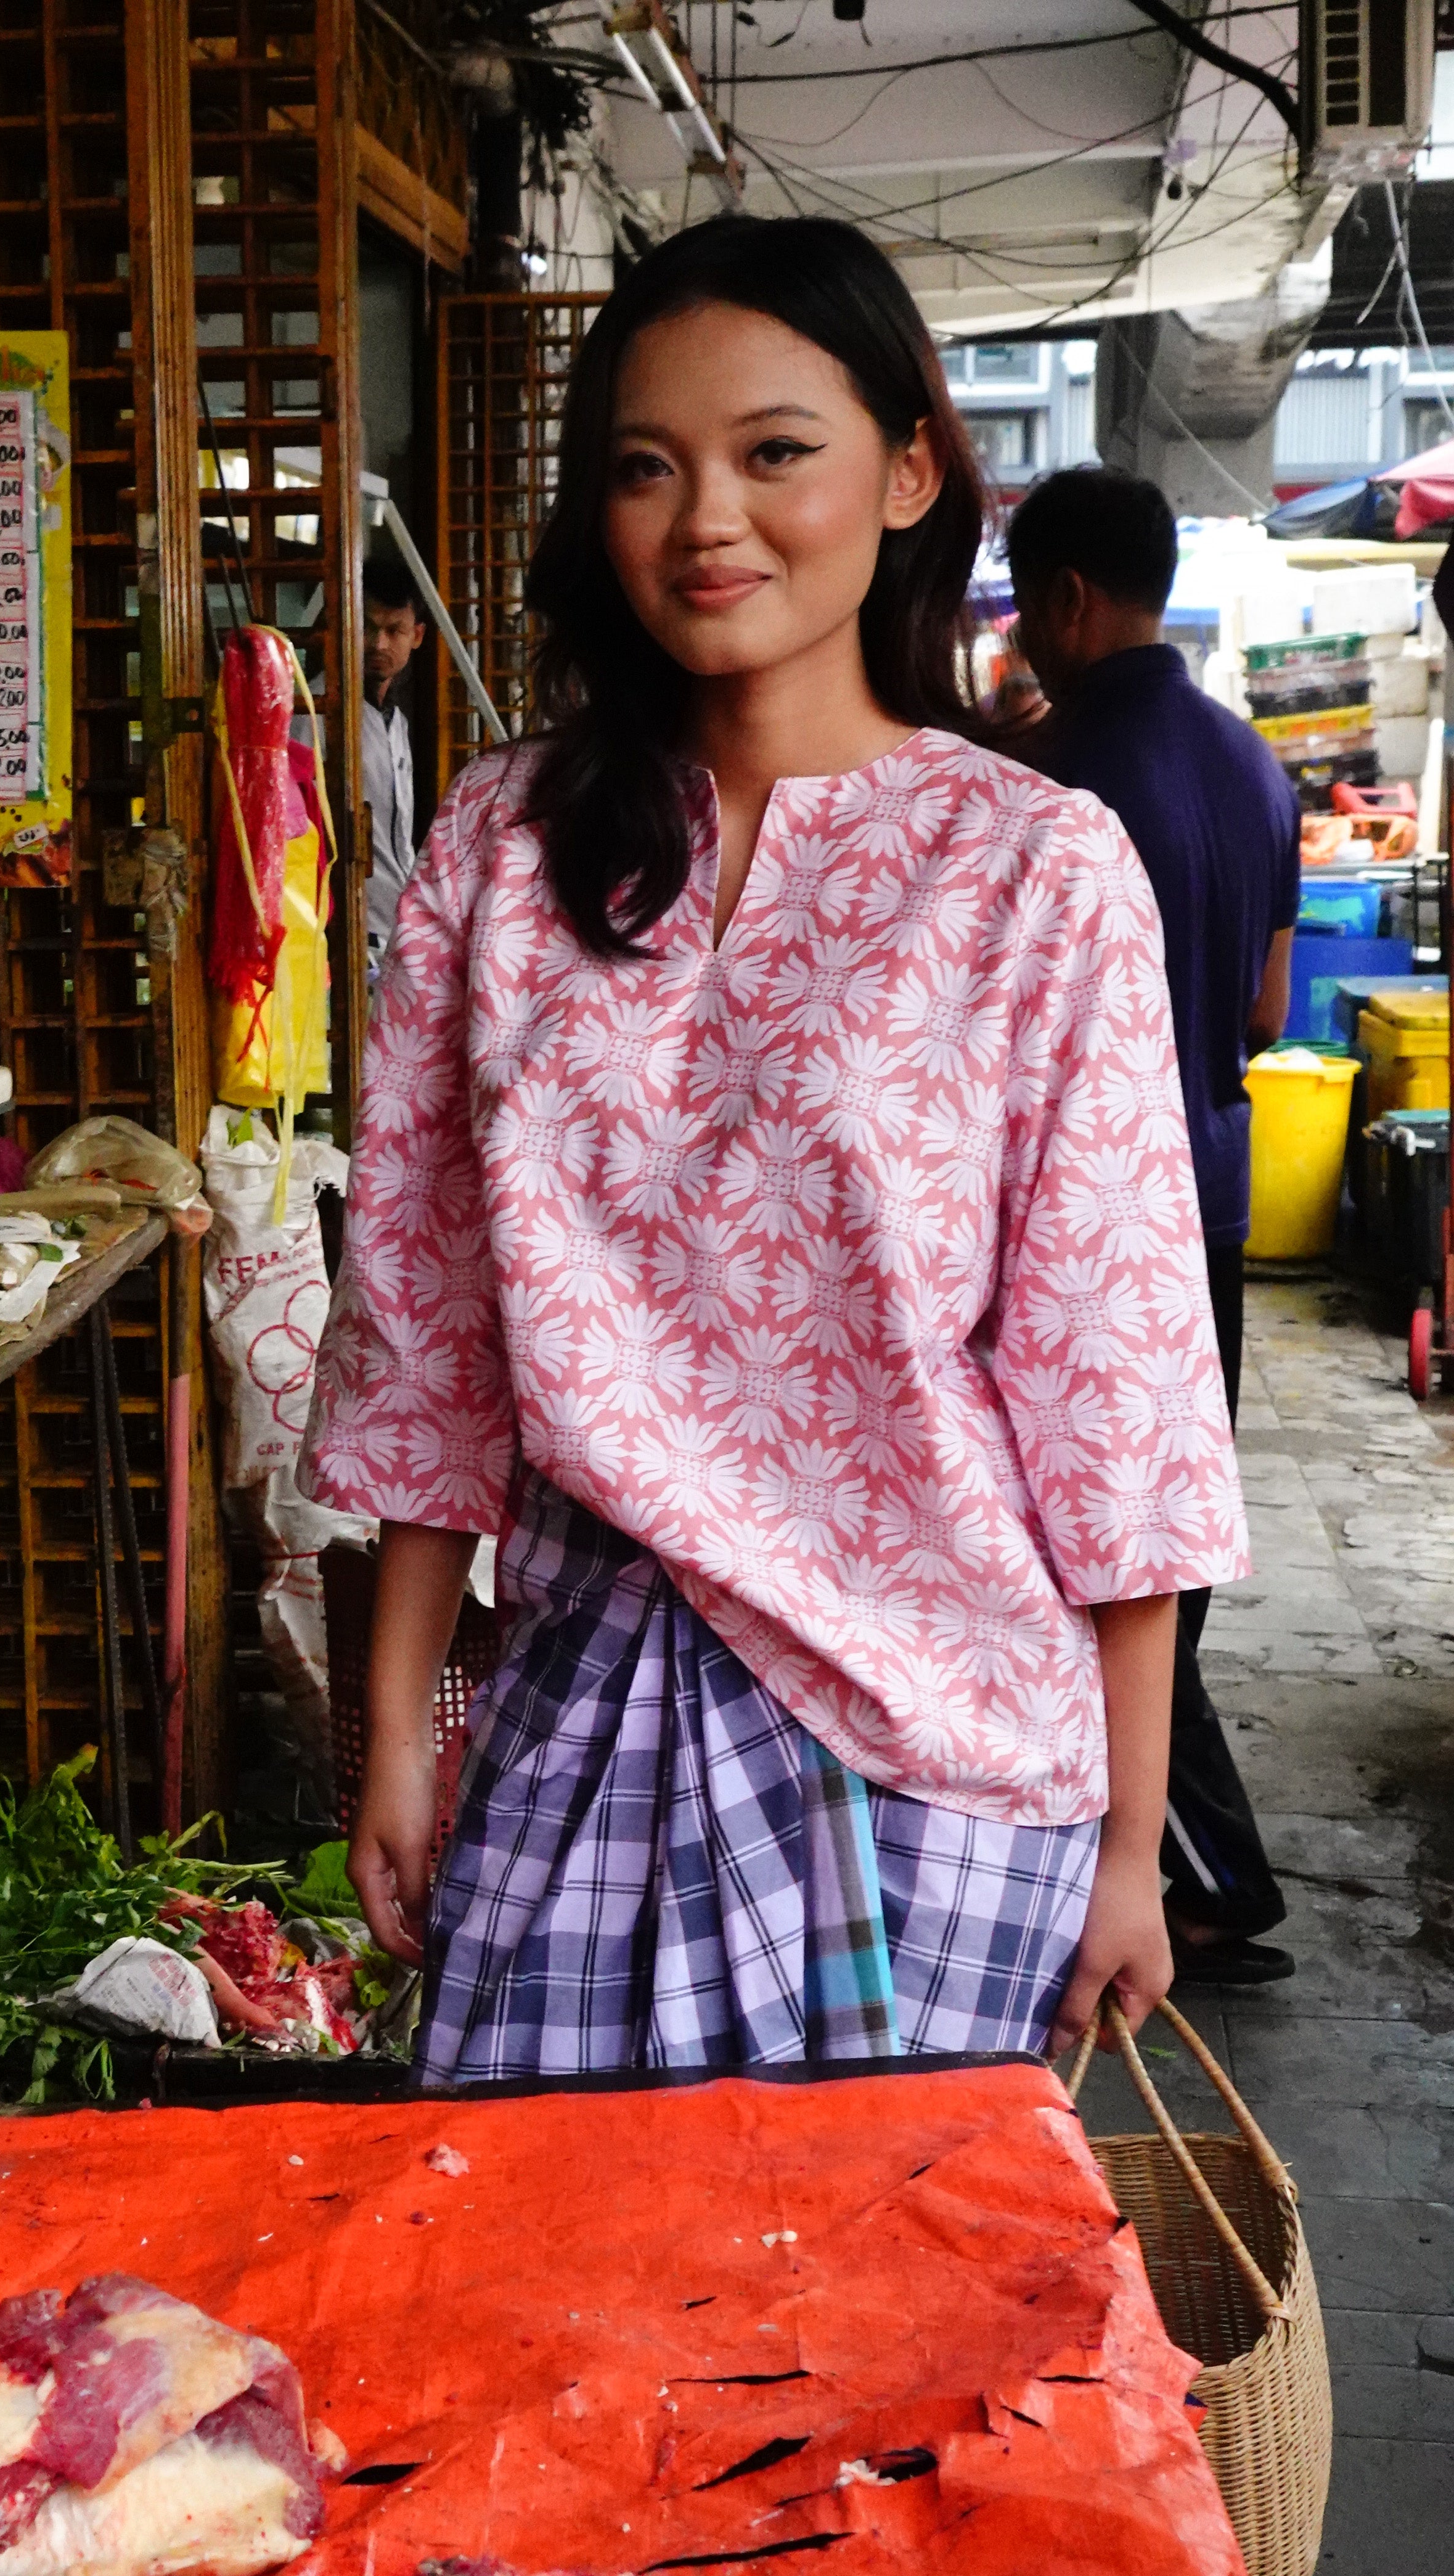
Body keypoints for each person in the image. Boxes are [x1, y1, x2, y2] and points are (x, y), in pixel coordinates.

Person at [300, 216, 1247, 2090]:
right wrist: (401, 1733)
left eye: (773, 452)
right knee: (544, 2335)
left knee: (876, 2365)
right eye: (645, 467)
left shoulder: (1028, 874)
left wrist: (1134, 1850)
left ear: (907, 471)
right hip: (573, 1724)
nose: (705, 519)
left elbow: (1112, 1392)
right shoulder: (496, 857)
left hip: (943, 1767)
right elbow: (428, 1340)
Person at [1008, 467, 1296, 1991]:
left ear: (1063, 598)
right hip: (1219, 1190)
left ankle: (1200, 1870)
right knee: (1152, 1559)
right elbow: (1263, 1008)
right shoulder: (1254, 763)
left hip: (1091, 1224)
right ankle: (1188, 1864)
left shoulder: (1050, 786)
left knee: (1106, 1572)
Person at [361, 549, 427, 974]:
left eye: (393, 630)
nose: (378, 643)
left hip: (391, 932)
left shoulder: (395, 722)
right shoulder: (315, 713)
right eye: (368, 627)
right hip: (346, 929)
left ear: (416, 636)